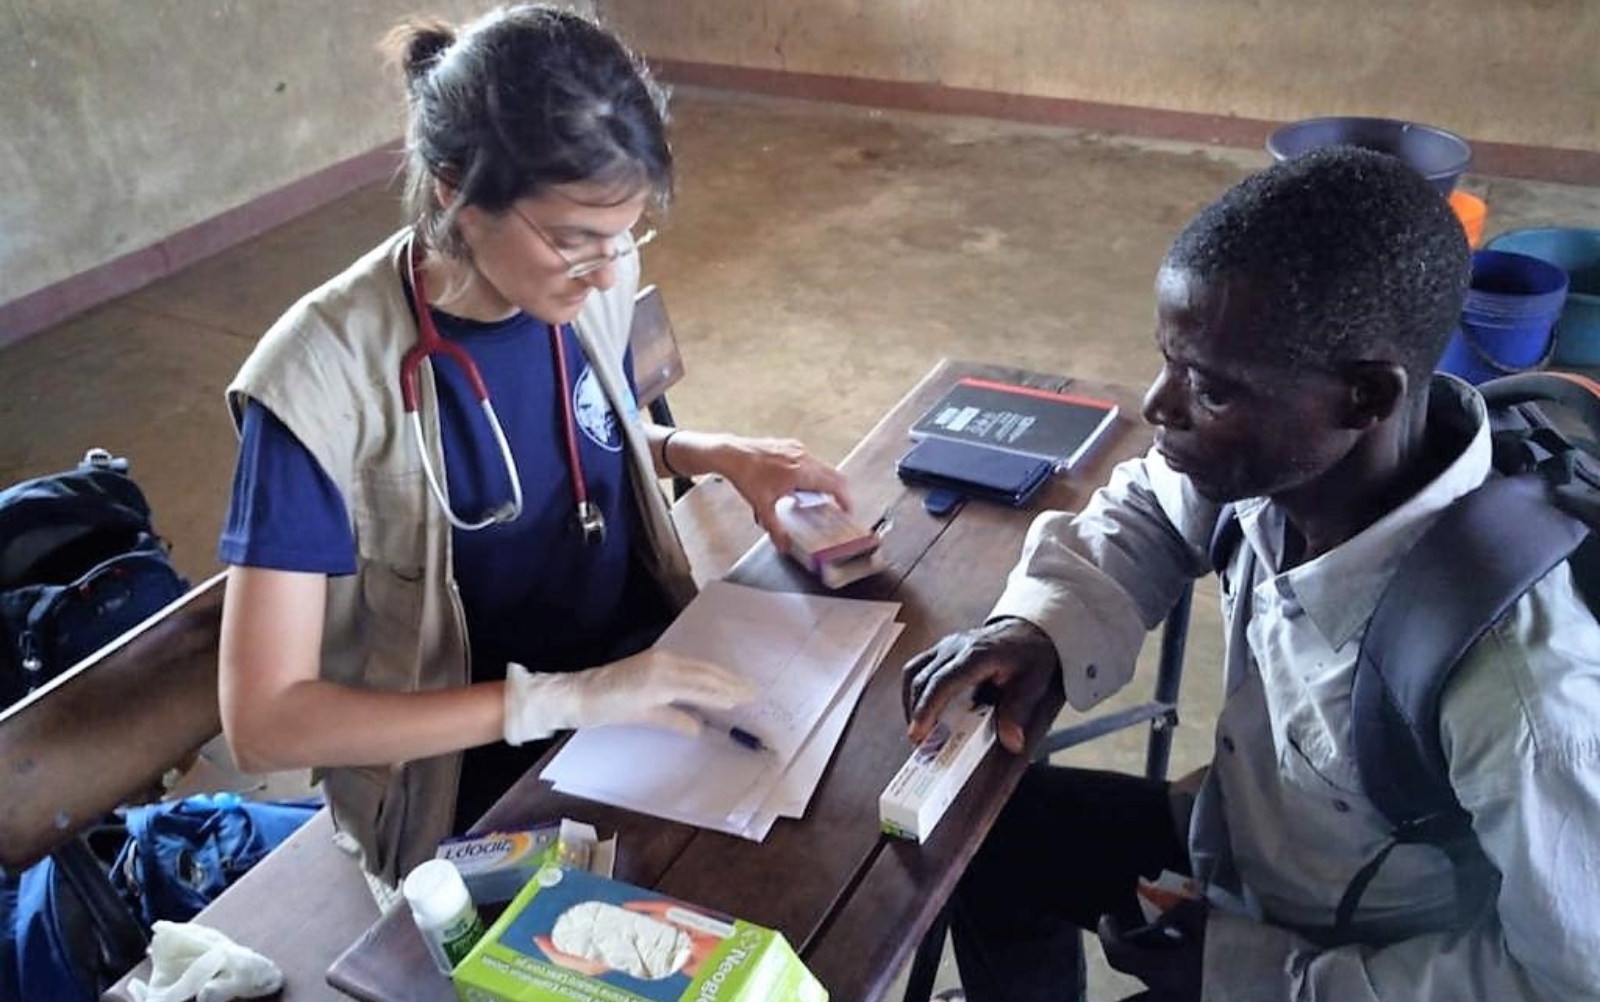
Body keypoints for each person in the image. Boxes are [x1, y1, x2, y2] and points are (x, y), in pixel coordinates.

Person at [903, 146, 1600, 1002]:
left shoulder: (1522, 689)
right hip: (1245, 846)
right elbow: (1150, 508)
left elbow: (1563, 982)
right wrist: (1041, 626)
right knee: (983, 836)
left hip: (1348, 962)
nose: (1159, 405)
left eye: (1210, 388)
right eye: (1169, 360)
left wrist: (1249, 976)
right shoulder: (1277, 467)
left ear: (1364, 399)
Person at [215, 4, 848, 899]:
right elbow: (267, 722)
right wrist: (559, 700)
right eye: (572, 239)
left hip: (632, 688)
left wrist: (710, 452)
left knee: (845, 834)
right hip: (463, 780)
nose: (603, 271)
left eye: (623, 234)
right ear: (452, 190)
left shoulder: (586, 284)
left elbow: (575, 440)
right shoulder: (317, 385)